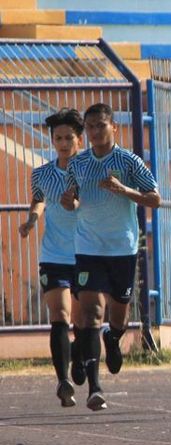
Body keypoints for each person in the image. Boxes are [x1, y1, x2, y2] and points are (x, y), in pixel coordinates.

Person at [61, 103, 161, 411]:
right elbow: (72, 203)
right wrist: (69, 202)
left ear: (113, 128)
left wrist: (123, 190)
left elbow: (154, 199)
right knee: (91, 311)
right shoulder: (77, 164)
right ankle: (95, 386)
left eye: (100, 126)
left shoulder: (128, 161)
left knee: (118, 315)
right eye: (89, 128)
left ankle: (113, 338)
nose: (94, 133)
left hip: (122, 248)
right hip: (89, 248)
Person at [18, 108, 84, 408]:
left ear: (79, 139)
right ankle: (63, 381)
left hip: (87, 253)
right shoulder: (43, 173)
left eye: (69, 137)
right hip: (54, 255)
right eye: (58, 137)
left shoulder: (89, 169)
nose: (63, 142)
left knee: (85, 320)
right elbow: (39, 197)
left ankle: (81, 355)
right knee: (60, 315)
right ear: (52, 140)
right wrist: (32, 219)